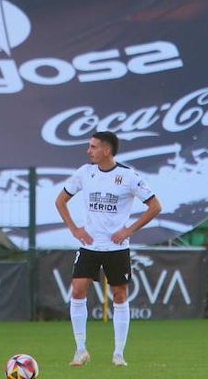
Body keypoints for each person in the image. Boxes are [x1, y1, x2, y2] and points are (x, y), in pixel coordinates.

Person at [54, 130, 162, 368]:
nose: (88, 150)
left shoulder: (128, 176)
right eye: (89, 146)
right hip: (89, 245)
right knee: (78, 289)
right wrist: (75, 229)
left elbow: (155, 206)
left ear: (107, 150)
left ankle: (119, 353)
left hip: (117, 248)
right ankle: (81, 350)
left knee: (120, 295)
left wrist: (129, 230)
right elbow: (60, 201)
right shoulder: (85, 173)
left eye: (93, 147)